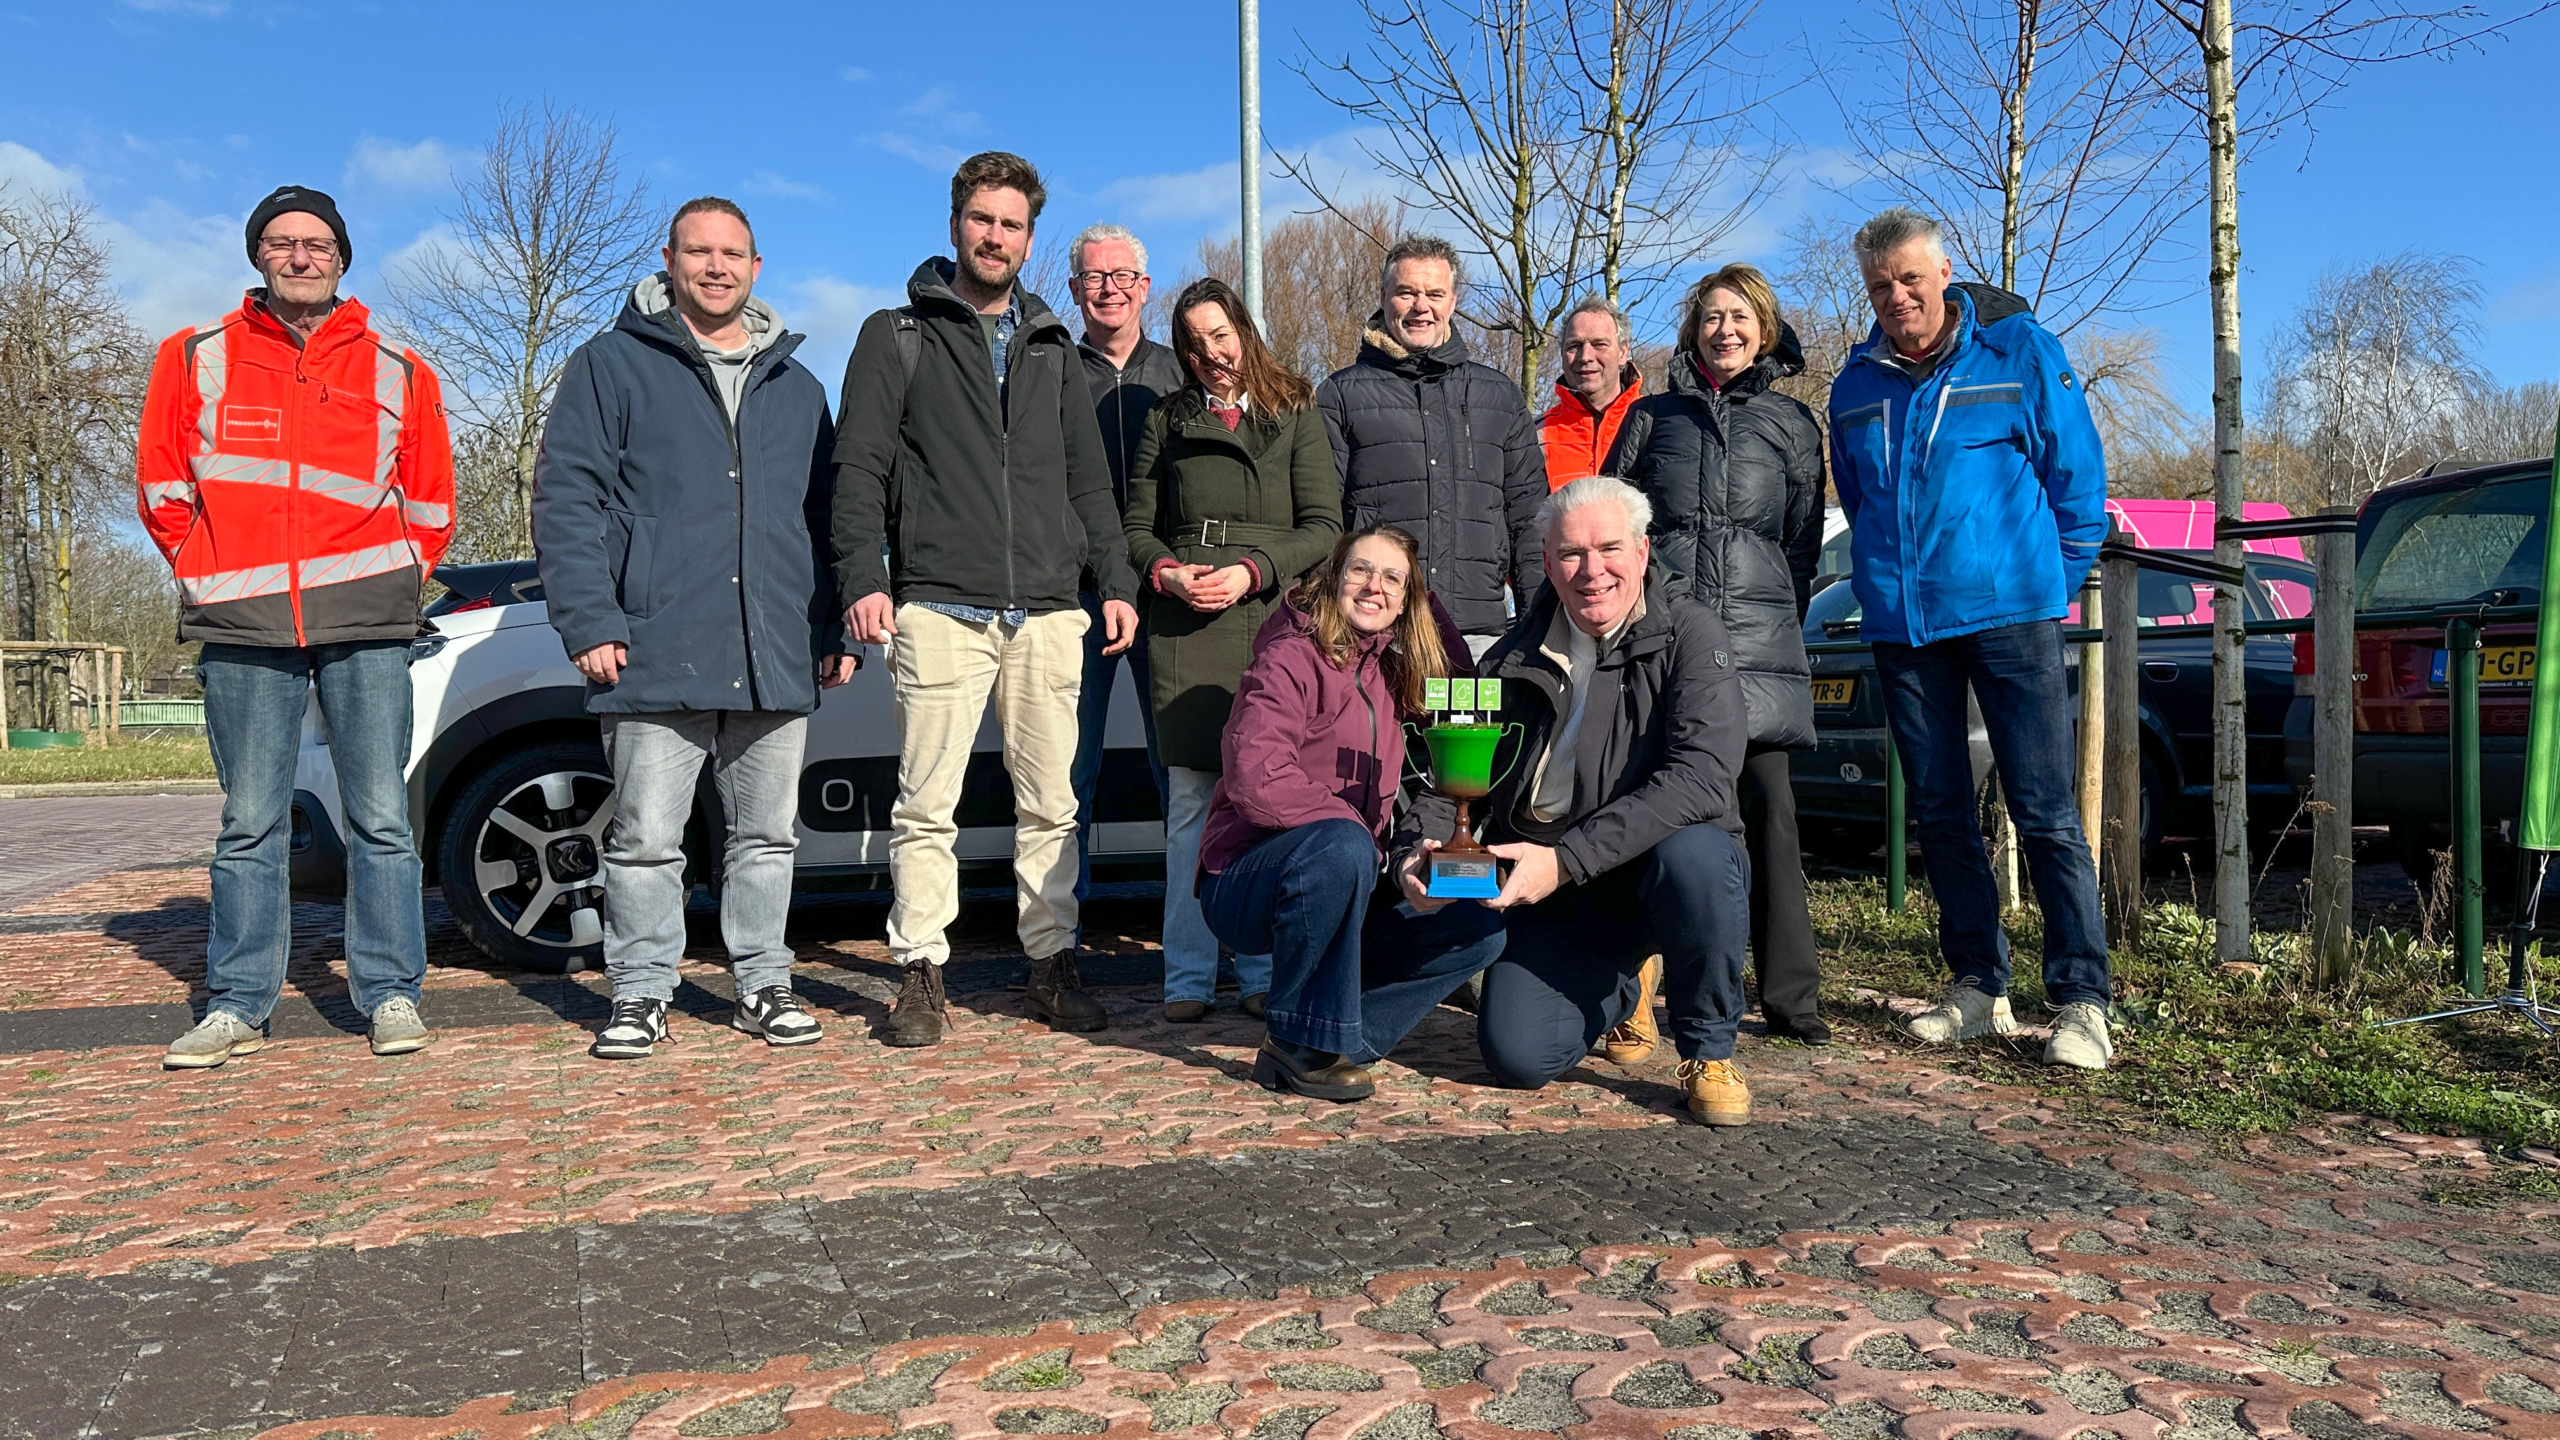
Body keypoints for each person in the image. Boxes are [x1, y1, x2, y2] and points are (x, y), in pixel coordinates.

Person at [136, 185, 454, 1069]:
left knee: (382, 816)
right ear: (259, 257)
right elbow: (164, 486)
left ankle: (391, 993)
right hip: (243, 624)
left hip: (367, 621)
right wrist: (205, 569)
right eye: (282, 243)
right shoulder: (194, 356)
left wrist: (396, 578)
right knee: (249, 824)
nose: (301, 256)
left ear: (342, 257)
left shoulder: (399, 367)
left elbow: (430, 500)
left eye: (317, 243)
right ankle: (238, 1003)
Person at [832, 152, 1140, 1047]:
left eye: (1011, 225)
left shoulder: (1051, 347)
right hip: (939, 605)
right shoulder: (897, 334)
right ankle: (920, 971)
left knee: (1053, 804)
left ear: (1030, 240)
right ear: (955, 224)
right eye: (982, 219)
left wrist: (1113, 580)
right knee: (927, 804)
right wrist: (864, 575)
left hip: (1048, 610)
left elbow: (1088, 480)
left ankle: (1051, 961)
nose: (995, 236)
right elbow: (861, 469)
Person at [531, 197, 850, 1061]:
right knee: (643, 842)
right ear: (668, 261)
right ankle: (639, 992)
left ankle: (762, 982)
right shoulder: (610, 365)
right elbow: (567, 501)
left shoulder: (799, 385)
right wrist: (590, 619)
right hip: (650, 642)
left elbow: (827, 522)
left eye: (733, 254)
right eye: (699, 252)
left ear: (757, 268)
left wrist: (834, 628)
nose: (717, 267)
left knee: (765, 836)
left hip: (771, 646)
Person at [1826, 206, 2113, 1071]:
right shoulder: (1856, 384)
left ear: (1944, 274)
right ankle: (1979, 985)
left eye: (1910, 279)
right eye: (1880, 286)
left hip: (2010, 621)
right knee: (1942, 813)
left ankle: (2083, 1001)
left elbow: (2079, 480)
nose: (1897, 297)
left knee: (2045, 811)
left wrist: (2044, 584)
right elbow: (1861, 499)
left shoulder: (2019, 351)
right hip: (1905, 629)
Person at [1427, 476, 1758, 1126]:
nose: (1590, 570)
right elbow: (1457, 773)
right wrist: (1430, 843)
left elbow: (1704, 778)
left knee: (1697, 853)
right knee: (1517, 1058)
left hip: (1651, 871)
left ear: (1640, 551)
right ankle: (1624, 984)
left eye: (1608, 548)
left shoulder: (1692, 635)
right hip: (1555, 892)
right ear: (1546, 562)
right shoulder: (1508, 656)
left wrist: (1568, 858)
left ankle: (1709, 1049)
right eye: (1570, 554)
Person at [1602, 263, 1829, 1050]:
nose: (1724, 330)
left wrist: (1775, 623)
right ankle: (1632, 994)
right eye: (1710, 317)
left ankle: (1792, 997)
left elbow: (1801, 542)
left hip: (1758, 650)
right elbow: (1617, 526)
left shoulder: (1793, 426)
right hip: (1665, 651)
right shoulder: (1650, 417)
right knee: (1655, 817)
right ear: (1692, 329)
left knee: (1771, 822)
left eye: (1739, 317)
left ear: (1764, 329)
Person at [1198, 526, 1504, 1098]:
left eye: (1393, 578)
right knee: (1341, 845)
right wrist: (1356, 836)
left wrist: (1413, 855)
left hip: (1351, 869)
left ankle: (1338, 1037)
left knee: (1476, 929)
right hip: (1247, 878)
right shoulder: (1289, 656)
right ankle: (1296, 1044)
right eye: (1361, 570)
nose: (1374, 587)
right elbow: (1255, 778)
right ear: (1335, 576)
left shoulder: (1397, 668)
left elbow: (1447, 774)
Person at [1125, 277, 1343, 1023]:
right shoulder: (1165, 418)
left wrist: (1254, 570)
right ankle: (1186, 978)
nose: (1210, 354)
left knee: (1262, 797)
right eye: (1193, 344)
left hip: (1270, 620)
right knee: (1189, 803)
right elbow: (1136, 526)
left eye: (1220, 336)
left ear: (1244, 331)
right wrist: (1165, 571)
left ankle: (1257, 971)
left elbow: (1324, 525)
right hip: (1187, 626)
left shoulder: (1296, 408)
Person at [1317, 235, 1547, 658]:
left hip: (1480, 632)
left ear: (1453, 301)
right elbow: (1322, 520)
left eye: (1435, 294)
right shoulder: (1340, 395)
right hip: (1379, 631)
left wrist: (1538, 625)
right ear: (1385, 296)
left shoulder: (1498, 396)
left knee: (1473, 728)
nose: (1421, 306)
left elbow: (1529, 521)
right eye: (1407, 292)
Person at [1070, 223, 1180, 913]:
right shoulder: (1048, 372)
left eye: (1120, 277)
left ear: (1143, 287)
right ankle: (1060, 940)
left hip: (1167, 598)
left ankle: (1196, 938)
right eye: (1092, 277)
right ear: (1076, 288)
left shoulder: (1180, 372)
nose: (1107, 289)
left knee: (1182, 775)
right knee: (1064, 778)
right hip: (1074, 597)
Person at [1539, 297, 1643, 491]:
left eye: (1599, 344)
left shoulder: (1656, 423)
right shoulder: (1536, 436)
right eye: (1574, 346)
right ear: (1561, 355)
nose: (1585, 356)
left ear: (1622, 352)